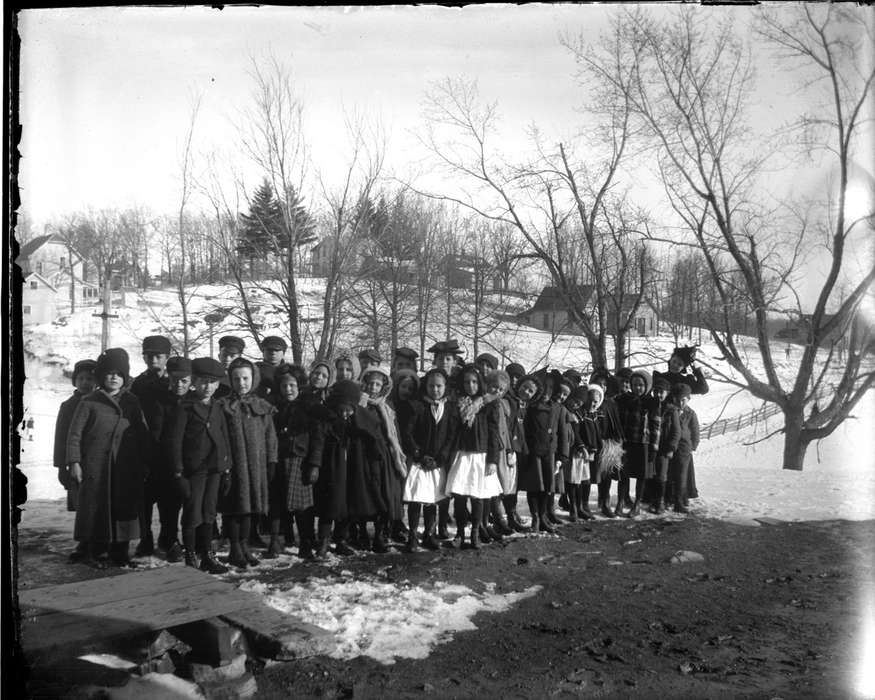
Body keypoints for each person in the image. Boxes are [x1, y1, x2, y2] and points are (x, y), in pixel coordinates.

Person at [66, 348, 149, 568]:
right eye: (109, 373)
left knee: (123, 509)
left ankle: (120, 553)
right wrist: (74, 462)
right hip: (95, 467)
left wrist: (143, 463)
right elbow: (74, 435)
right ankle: (95, 551)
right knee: (95, 509)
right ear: (101, 376)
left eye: (119, 374)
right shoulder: (89, 401)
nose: (114, 377)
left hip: (124, 466)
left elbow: (142, 433)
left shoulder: (132, 402)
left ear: (125, 377)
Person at [306, 380, 387, 558]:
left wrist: (375, 457)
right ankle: (324, 540)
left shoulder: (360, 419)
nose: (344, 414)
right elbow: (318, 443)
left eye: (348, 410)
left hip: (353, 468)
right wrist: (315, 465)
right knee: (330, 504)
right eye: (341, 409)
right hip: (332, 468)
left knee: (349, 504)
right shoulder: (326, 419)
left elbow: (373, 438)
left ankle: (341, 539)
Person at [170, 358, 231, 574]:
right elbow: (175, 441)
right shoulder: (186, 407)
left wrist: (226, 465)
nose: (208, 387)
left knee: (209, 512)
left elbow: (223, 437)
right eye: (204, 381)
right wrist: (178, 472)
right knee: (192, 512)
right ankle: (190, 556)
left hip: (214, 468)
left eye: (213, 382)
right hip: (194, 470)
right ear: (194, 381)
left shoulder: (217, 406)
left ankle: (208, 555)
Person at [220, 357, 278, 569]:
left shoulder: (262, 406)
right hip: (234, 468)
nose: (241, 383)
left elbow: (271, 436)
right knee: (235, 507)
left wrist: (271, 461)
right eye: (236, 379)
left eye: (245, 378)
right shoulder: (224, 406)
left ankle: (244, 546)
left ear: (253, 379)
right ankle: (235, 547)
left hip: (256, 466)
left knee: (250, 508)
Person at [444, 364, 502, 549]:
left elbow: (494, 434)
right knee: (460, 496)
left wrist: (493, 460)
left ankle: (475, 532)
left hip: (481, 456)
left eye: (475, 381)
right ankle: (460, 533)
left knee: (478, 497)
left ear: (480, 383)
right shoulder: (457, 404)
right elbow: (452, 432)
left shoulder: (488, 405)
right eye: (467, 381)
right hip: (463, 455)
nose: (471, 385)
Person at [401, 368, 458, 551]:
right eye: (431, 386)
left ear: (445, 387)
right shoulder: (416, 406)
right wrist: (418, 453)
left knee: (432, 499)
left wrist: (440, 458)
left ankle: (429, 534)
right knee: (417, 498)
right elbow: (408, 433)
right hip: (420, 461)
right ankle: (412, 536)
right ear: (425, 386)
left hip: (437, 462)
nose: (435, 390)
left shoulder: (449, 408)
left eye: (439, 386)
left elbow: (451, 436)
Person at [129, 335, 172, 557]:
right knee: (144, 500)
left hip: (168, 449)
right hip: (144, 448)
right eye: (149, 355)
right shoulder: (138, 383)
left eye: (158, 356)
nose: (153, 359)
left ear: (167, 357)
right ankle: (145, 539)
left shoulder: (175, 382)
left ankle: (168, 539)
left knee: (169, 500)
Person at [268, 364, 316, 560]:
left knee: (302, 505)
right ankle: (275, 540)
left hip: (300, 459)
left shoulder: (308, 406)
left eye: (292, 385)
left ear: (299, 385)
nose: (288, 389)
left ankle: (305, 542)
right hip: (278, 458)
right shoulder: (273, 407)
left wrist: (314, 462)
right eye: (284, 385)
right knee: (276, 502)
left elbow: (317, 438)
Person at [360, 365, 409, 552]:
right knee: (365, 494)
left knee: (385, 494)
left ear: (384, 387)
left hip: (385, 456)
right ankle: (362, 532)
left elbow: (394, 433)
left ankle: (381, 533)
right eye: (370, 383)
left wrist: (397, 453)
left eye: (377, 384)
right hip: (364, 454)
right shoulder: (360, 403)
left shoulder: (386, 407)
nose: (373, 387)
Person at [53, 358, 96, 561]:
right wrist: (62, 466)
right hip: (76, 463)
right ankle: (84, 542)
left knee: (98, 504)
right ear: (75, 381)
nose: (85, 382)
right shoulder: (68, 406)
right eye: (81, 378)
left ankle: (98, 540)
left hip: (96, 462)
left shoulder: (100, 403)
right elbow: (61, 438)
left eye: (90, 378)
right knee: (82, 505)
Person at [516, 371, 565, 534]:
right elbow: (524, 430)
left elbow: (561, 432)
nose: (547, 391)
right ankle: (535, 517)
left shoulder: (557, 407)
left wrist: (560, 457)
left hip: (549, 453)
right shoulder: (530, 407)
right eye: (545, 387)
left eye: (552, 387)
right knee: (534, 486)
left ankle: (543, 516)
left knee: (547, 488)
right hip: (533, 453)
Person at [616, 370, 661, 518]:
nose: (637, 388)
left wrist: (654, 446)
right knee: (624, 474)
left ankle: (636, 505)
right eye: (634, 384)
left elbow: (656, 426)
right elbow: (619, 421)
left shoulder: (652, 402)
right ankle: (620, 502)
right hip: (627, 443)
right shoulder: (624, 399)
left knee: (641, 475)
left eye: (641, 385)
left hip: (644, 444)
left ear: (647, 386)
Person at [649, 376, 680, 515]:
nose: (659, 395)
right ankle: (652, 499)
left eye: (662, 392)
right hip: (650, 446)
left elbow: (676, 431)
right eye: (656, 391)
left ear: (667, 393)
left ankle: (660, 501)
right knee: (651, 474)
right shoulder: (650, 405)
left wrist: (671, 448)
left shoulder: (672, 410)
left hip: (663, 448)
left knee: (661, 475)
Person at [669, 383, 700, 513]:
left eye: (684, 400)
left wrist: (693, 445)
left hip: (684, 448)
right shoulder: (671, 411)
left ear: (688, 399)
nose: (681, 402)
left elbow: (695, 430)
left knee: (682, 475)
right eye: (678, 399)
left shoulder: (691, 413)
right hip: (671, 446)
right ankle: (669, 498)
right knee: (670, 473)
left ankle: (679, 501)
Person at [255, 336, 288, 401]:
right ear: (263, 352)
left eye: (277, 350)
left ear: (283, 353)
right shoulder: (253, 370)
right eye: (269, 350)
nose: (273, 353)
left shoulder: (291, 372)